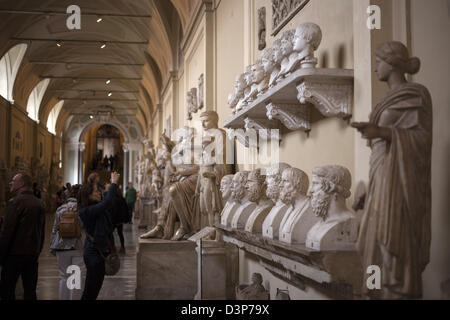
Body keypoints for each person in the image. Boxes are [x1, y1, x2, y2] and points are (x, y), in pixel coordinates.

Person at [352, 41, 432, 299]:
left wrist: (383, 133)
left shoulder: (414, 94)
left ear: (393, 63)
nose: (375, 67)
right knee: (374, 234)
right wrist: (374, 133)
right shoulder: (386, 99)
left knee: (391, 232)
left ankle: (397, 288)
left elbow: (421, 139)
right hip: (380, 171)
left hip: (398, 175)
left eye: (379, 61)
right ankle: (380, 290)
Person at [0, 173, 46, 300]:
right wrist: (37, 251)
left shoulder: (15, 202)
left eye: (13, 180)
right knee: (30, 291)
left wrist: (1, 255)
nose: (10, 183)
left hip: (14, 255)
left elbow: (7, 231)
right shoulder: (39, 203)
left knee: (7, 290)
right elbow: (41, 231)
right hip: (32, 254)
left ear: (22, 184)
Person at [78, 172, 120, 300]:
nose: (99, 193)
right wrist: (113, 183)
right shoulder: (86, 211)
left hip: (100, 252)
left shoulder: (96, 207)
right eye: (96, 191)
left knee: (94, 291)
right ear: (88, 196)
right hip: (93, 254)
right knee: (90, 292)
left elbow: (108, 203)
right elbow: (106, 203)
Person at [49, 184, 84, 300]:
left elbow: (55, 229)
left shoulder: (60, 209)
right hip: (77, 246)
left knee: (64, 277)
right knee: (75, 277)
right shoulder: (81, 209)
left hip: (61, 246)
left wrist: (52, 246)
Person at [104, 183, 128, 254]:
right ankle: (123, 247)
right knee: (120, 233)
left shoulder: (113, 199)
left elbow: (112, 210)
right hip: (120, 220)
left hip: (114, 220)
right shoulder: (122, 198)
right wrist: (125, 219)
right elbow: (126, 210)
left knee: (110, 234)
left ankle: (113, 248)